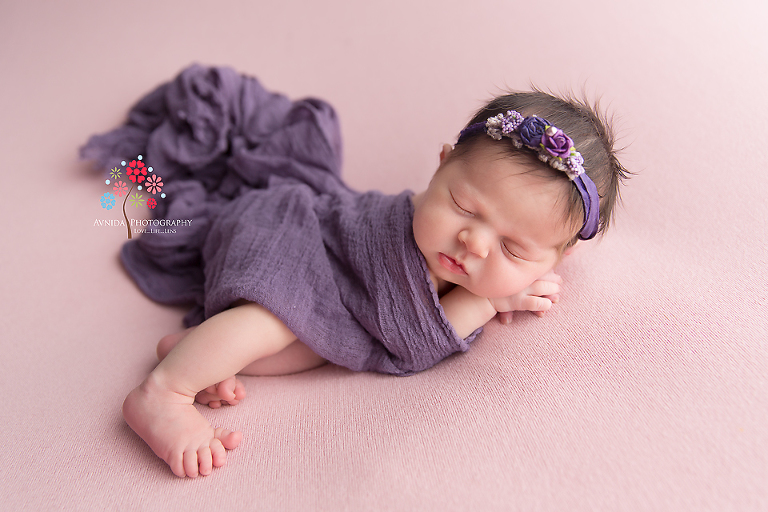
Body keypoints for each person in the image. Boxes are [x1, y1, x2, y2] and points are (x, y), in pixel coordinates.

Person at [83, 66, 627, 478]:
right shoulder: (400, 234)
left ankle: (201, 348)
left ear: (557, 260)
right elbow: (417, 343)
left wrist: (497, 293)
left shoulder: (483, 269)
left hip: (336, 295)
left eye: (513, 248)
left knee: (320, 343)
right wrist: (489, 299)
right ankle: (165, 391)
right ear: (440, 168)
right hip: (292, 236)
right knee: (281, 319)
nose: (474, 243)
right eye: (464, 206)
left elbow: (400, 335)